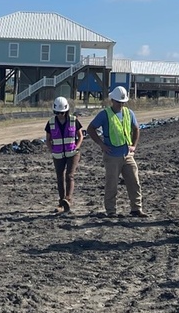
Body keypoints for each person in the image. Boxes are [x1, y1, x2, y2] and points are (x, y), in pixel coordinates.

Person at [86, 85, 147, 218]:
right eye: (118, 102)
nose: (121, 104)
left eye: (122, 102)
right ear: (112, 100)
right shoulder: (104, 114)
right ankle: (111, 210)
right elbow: (91, 129)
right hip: (112, 156)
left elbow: (136, 129)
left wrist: (133, 146)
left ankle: (136, 208)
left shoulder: (129, 113)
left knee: (134, 181)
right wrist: (101, 144)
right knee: (111, 184)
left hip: (127, 154)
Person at [45, 96, 84, 213]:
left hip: (72, 153)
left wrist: (76, 147)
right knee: (60, 177)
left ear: (66, 111)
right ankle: (61, 202)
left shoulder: (73, 120)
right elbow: (48, 139)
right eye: (58, 112)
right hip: (58, 155)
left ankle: (68, 199)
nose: (60, 115)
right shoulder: (51, 122)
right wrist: (52, 149)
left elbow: (80, 136)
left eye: (62, 112)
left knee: (69, 176)